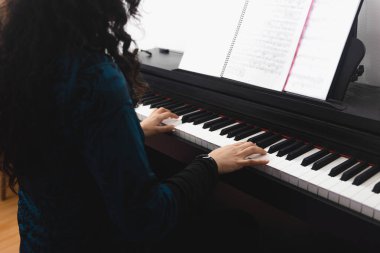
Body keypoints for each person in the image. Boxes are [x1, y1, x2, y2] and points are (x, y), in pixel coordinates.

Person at [0, 0, 269, 252]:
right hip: (95, 241)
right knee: (240, 225)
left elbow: (66, 150)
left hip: (41, 239)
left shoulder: (24, 56)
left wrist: (133, 132)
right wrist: (210, 164)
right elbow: (146, 219)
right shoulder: (94, 76)